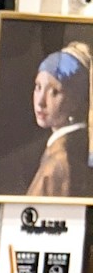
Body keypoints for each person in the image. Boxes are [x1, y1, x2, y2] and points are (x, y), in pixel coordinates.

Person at [22, 46, 91, 200]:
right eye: (38, 87)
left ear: (76, 100)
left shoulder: (58, 163)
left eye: (54, 92)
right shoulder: (63, 150)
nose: (40, 102)